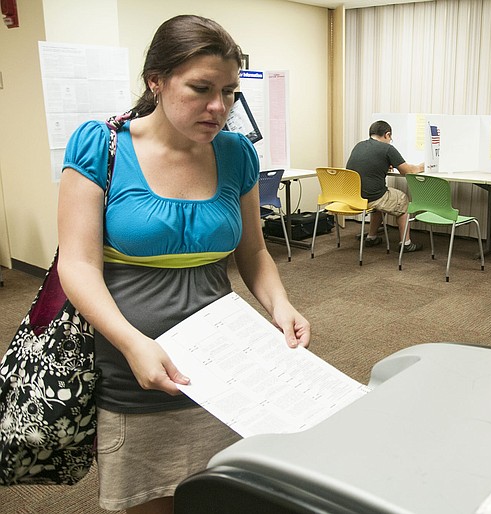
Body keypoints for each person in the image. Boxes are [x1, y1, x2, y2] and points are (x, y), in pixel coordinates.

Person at [56, 15, 310, 514]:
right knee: (150, 504)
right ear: (157, 80)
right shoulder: (101, 146)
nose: (219, 108)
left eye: (230, 92)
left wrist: (281, 306)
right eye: (201, 89)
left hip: (226, 366)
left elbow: (254, 251)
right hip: (137, 370)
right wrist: (133, 345)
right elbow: (78, 266)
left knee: (224, 497)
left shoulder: (237, 153)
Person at [346, 120, 425, 252]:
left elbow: (366, 165)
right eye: (390, 138)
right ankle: (406, 244)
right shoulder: (387, 148)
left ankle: (371, 237)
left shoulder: (359, 146)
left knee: (379, 198)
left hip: (354, 196)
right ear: (387, 134)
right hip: (372, 197)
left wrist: (384, 164)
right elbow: (408, 172)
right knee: (402, 199)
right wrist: (421, 166)